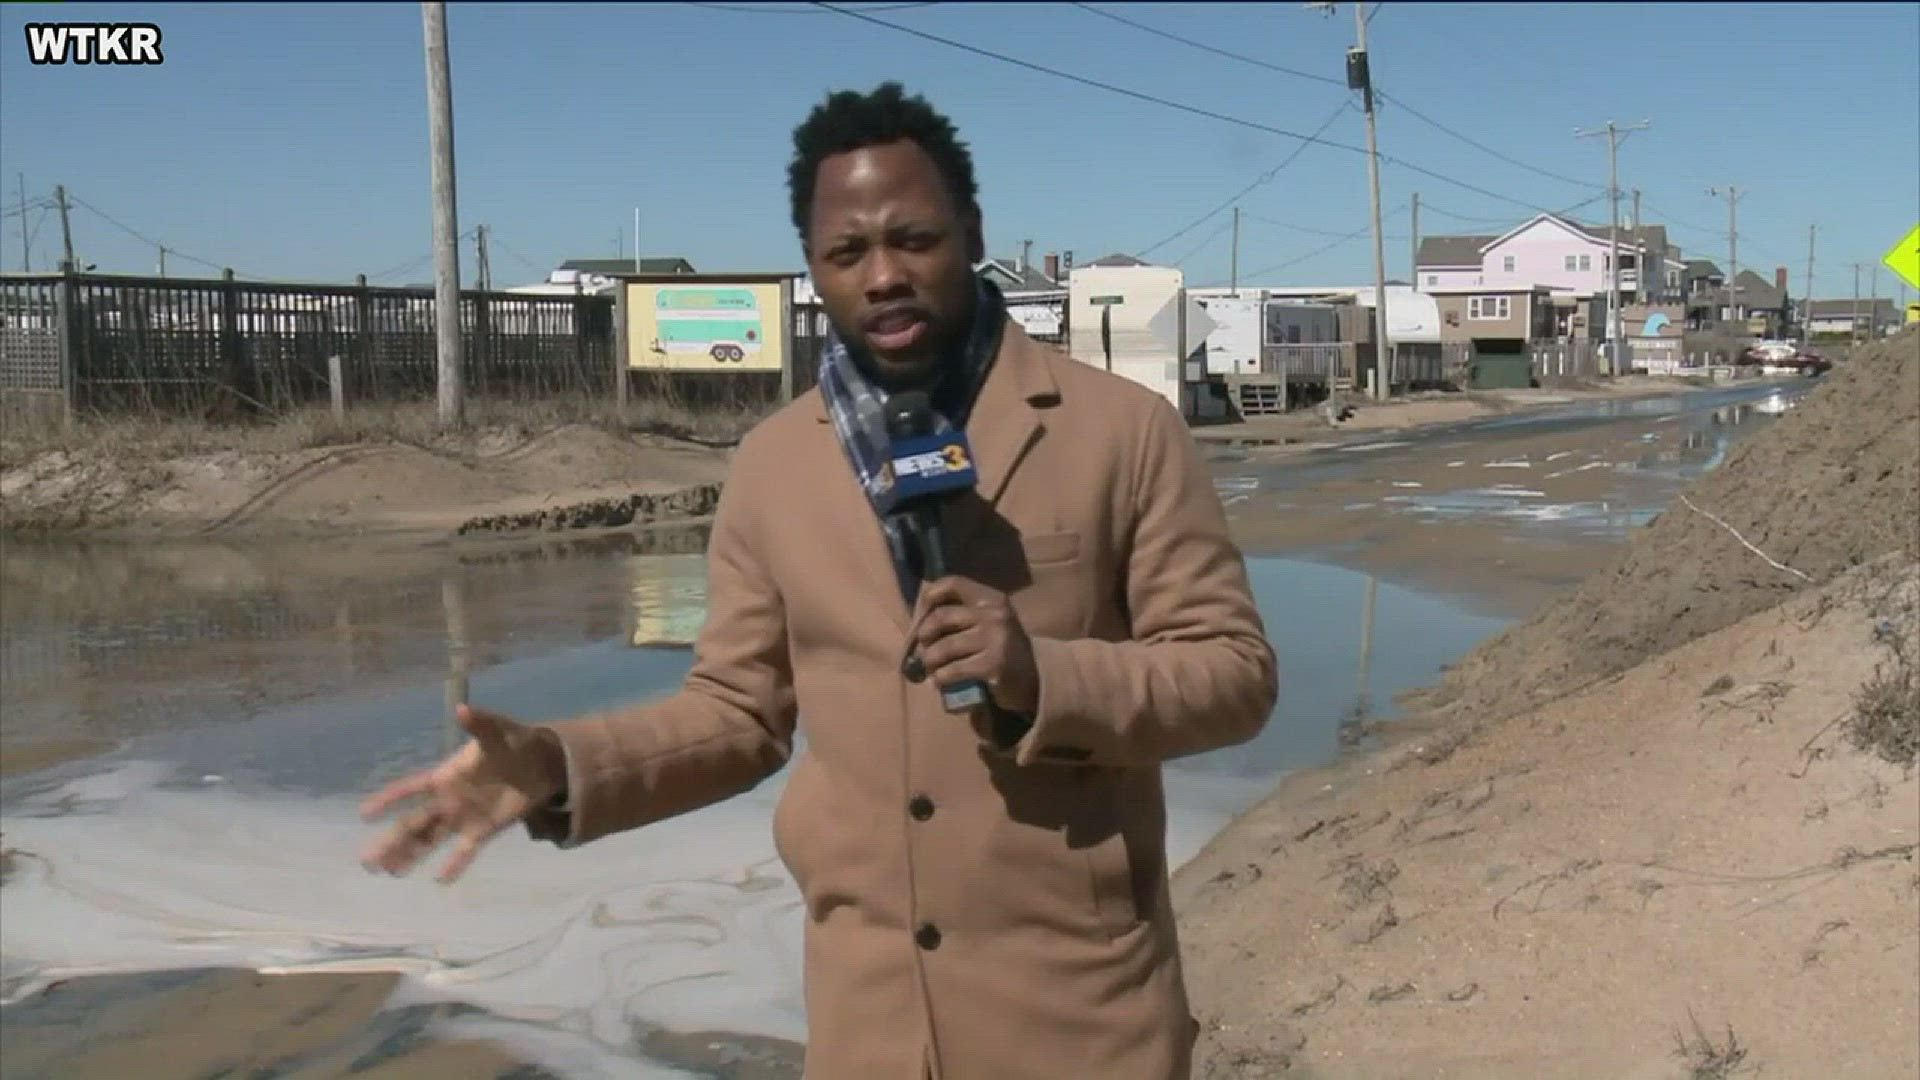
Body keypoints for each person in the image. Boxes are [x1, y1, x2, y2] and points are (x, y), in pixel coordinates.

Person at [360, 82, 1278, 1079]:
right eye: (848, 253)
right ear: (813, 269)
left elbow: (1233, 674)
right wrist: (554, 764)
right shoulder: (772, 465)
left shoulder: (1120, 431)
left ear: (970, 233)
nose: (884, 275)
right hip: (867, 1028)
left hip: (1083, 1018)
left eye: (913, 239)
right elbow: (736, 714)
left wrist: (1041, 677)